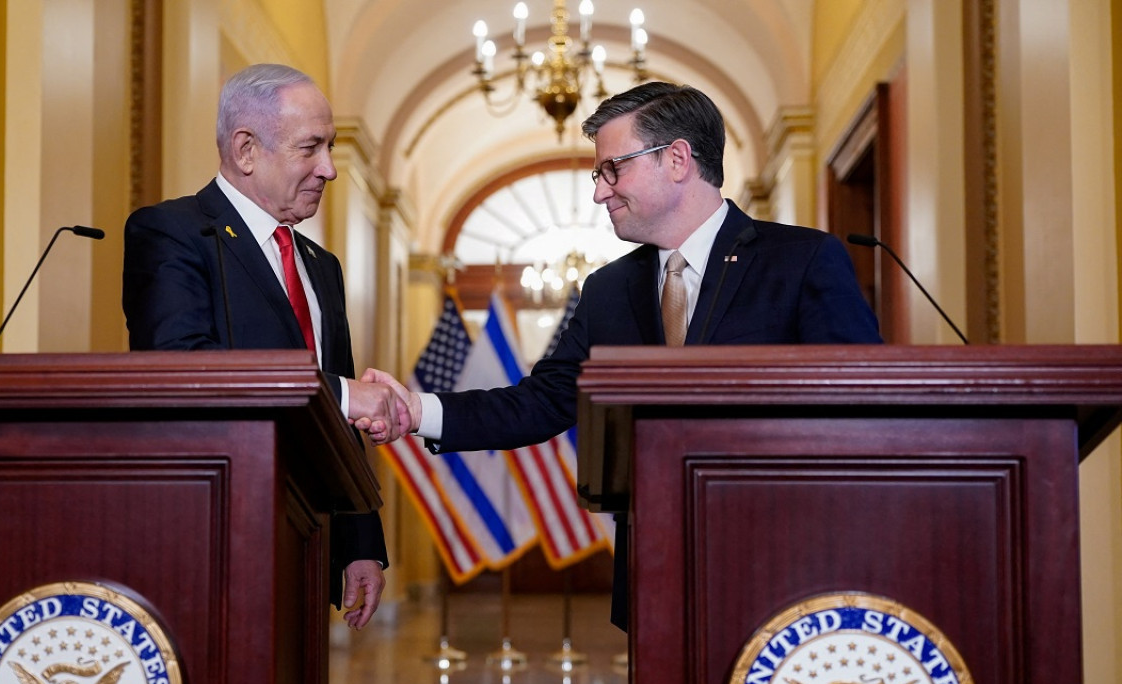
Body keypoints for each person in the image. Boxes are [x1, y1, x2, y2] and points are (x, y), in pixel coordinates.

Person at [362, 81, 882, 631]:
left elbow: (857, 410)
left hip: (785, 566)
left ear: (677, 159)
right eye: (598, 174)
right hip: (653, 575)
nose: (599, 192)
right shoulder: (608, 289)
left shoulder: (799, 261)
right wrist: (418, 412)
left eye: (613, 169)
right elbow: (541, 401)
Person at [122, 63, 398, 629]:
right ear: (246, 149)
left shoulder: (322, 267)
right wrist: (343, 395)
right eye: (310, 148)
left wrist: (360, 539)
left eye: (331, 147)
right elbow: (177, 367)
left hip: (307, 536)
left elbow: (344, 430)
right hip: (211, 532)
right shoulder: (173, 233)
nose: (328, 169)